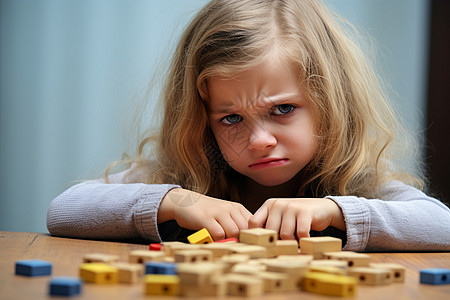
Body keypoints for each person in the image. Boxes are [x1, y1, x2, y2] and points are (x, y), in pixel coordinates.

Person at [47, 0, 450, 251]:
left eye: (283, 110)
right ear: (202, 121)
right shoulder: (186, 175)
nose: (258, 141)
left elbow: (442, 226)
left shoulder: (356, 185)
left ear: (331, 105)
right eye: (231, 118)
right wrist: (176, 202)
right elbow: (63, 210)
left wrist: (337, 212)